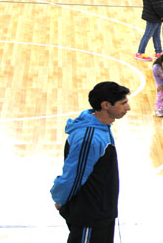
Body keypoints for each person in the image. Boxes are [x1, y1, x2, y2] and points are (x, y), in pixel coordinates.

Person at [51, 82, 130, 243]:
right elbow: (73, 175)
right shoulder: (90, 138)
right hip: (90, 216)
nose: (128, 107)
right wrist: (60, 199)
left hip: (103, 212)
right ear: (106, 105)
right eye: (123, 103)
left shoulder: (102, 127)